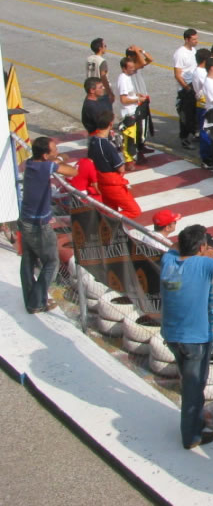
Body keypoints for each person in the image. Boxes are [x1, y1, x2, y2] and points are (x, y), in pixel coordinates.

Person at [160, 224, 213, 449]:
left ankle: (194, 426)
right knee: (193, 388)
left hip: (170, 333)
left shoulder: (168, 260)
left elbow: (174, 245)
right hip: (195, 339)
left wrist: (200, 249)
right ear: (201, 248)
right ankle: (191, 436)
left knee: (188, 381)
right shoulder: (204, 264)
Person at [19, 137, 77, 314]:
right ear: (45, 155)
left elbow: (58, 161)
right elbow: (73, 172)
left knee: (28, 260)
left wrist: (58, 159)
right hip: (39, 225)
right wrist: (61, 160)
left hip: (25, 220)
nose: (57, 151)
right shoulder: (46, 167)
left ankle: (31, 297)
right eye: (54, 150)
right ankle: (36, 302)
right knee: (51, 262)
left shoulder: (30, 163)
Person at [87, 110, 141, 219]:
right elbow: (121, 168)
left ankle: (109, 226)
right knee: (134, 211)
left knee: (111, 209)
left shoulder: (92, 141)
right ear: (110, 124)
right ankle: (108, 222)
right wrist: (120, 151)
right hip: (113, 182)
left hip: (101, 179)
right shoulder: (107, 145)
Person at [116, 52, 151, 167]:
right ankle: (128, 161)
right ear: (124, 68)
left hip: (132, 111)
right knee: (129, 138)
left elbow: (129, 94)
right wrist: (137, 99)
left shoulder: (127, 78)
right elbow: (124, 100)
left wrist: (137, 95)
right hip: (128, 113)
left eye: (133, 67)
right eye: (130, 68)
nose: (133, 70)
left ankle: (131, 158)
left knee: (133, 137)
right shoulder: (123, 79)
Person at [173, 29, 200, 149]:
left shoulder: (193, 50)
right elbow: (178, 74)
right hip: (186, 87)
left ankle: (194, 133)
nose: (196, 41)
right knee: (186, 115)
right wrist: (187, 88)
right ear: (187, 39)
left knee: (194, 113)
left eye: (196, 39)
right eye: (194, 39)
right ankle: (184, 138)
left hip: (194, 85)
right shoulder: (180, 53)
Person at [86, 37, 114, 101]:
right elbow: (103, 77)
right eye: (105, 46)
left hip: (91, 88)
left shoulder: (89, 59)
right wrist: (110, 92)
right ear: (100, 48)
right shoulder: (102, 61)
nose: (106, 47)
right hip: (100, 90)